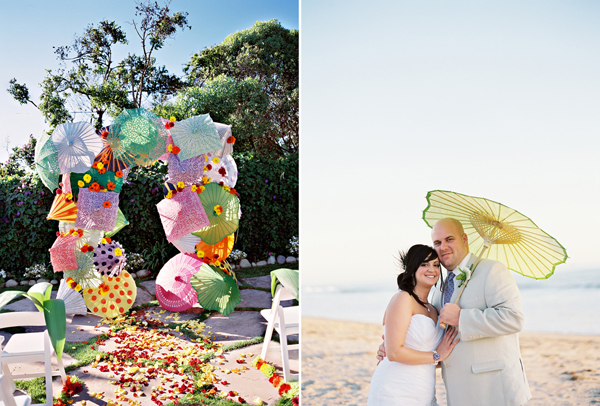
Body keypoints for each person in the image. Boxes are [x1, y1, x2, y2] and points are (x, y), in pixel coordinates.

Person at [377, 218, 532, 406]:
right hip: (458, 393)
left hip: (493, 388)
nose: (443, 247)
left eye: (449, 239)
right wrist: (395, 347)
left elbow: (513, 318)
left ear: (465, 239)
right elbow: (435, 339)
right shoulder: (438, 291)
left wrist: (461, 317)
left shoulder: (491, 270)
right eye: (437, 243)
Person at [367, 244, 460, 406]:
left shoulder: (434, 308)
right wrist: (436, 355)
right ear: (412, 269)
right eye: (424, 264)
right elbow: (395, 352)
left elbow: (431, 357)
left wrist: (440, 357)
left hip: (424, 392)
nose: (432, 269)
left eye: (436, 265)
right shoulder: (403, 299)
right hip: (395, 391)